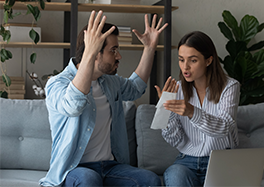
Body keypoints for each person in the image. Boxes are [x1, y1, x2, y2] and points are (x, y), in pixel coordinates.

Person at [39, 10, 168, 187]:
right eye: (113, 50)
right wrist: (88, 54)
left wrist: (149, 48)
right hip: (75, 169)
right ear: (95, 53)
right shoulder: (57, 83)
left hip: (110, 166)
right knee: (89, 179)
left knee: (149, 180)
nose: (119, 56)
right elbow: (73, 106)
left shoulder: (109, 82)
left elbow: (135, 88)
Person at [154, 31, 240, 187]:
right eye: (181, 60)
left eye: (192, 60)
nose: (185, 67)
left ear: (208, 61)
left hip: (221, 159)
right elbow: (176, 139)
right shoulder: (177, 89)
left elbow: (224, 127)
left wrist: (192, 112)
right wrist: (166, 109)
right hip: (187, 161)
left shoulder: (230, 87)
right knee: (174, 176)